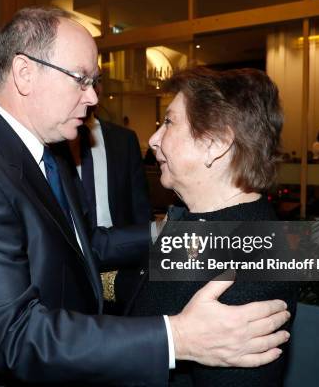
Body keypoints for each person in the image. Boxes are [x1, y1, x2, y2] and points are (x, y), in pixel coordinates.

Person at [0, 7, 291, 386]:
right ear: (25, 73)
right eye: (81, 79)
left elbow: (84, 247)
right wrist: (175, 338)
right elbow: (13, 339)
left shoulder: (51, 154)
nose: (94, 97)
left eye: (94, 81)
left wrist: (166, 234)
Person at [127, 66, 299, 386]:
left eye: (168, 121)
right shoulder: (203, 222)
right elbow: (149, 300)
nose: (153, 139)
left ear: (215, 143)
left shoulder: (252, 261)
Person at [67, 76, 151, 311]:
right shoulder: (53, 142)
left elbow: (140, 207)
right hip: (72, 268)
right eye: (82, 80)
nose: (92, 89)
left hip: (123, 267)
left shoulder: (124, 139)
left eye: (96, 81)